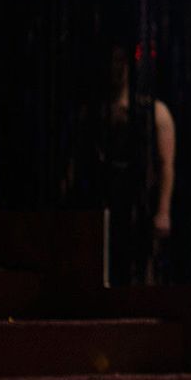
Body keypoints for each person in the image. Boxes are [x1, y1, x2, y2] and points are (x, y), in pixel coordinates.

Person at [66, 44, 175, 285]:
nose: (115, 68)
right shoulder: (92, 114)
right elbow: (76, 160)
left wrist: (163, 210)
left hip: (137, 206)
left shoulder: (155, 113)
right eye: (111, 61)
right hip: (102, 202)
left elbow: (166, 164)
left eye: (120, 61)